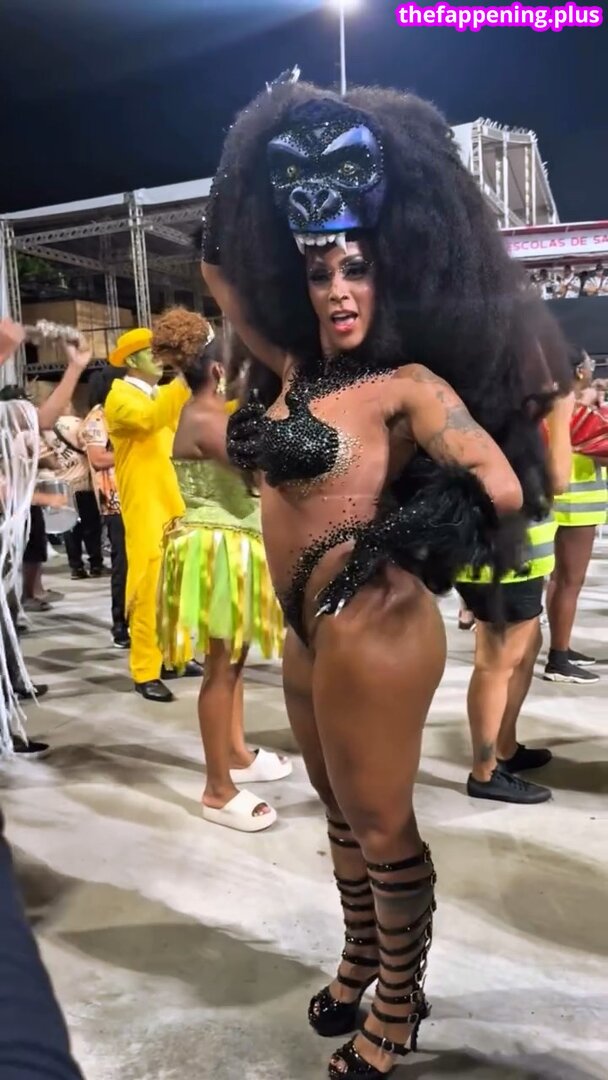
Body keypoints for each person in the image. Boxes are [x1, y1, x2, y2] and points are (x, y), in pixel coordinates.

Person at [202, 79, 568, 1078]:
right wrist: (254, 151)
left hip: (377, 621)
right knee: (335, 810)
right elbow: (218, 270)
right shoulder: (291, 369)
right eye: (319, 271)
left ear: (390, 271)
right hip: (304, 627)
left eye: (356, 268)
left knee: (379, 820)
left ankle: (399, 998)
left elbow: (498, 483)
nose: (338, 289)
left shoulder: (408, 386)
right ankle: (361, 956)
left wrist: (398, 536)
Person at [154, 308, 287, 831]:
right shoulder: (209, 420)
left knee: (232, 662)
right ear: (215, 371)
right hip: (217, 552)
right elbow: (261, 473)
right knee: (221, 670)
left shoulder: (208, 411)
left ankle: (235, 754)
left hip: (229, 545)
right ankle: (217, 788)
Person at [455, 384, 574, 803]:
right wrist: (562, 412)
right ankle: (485, 771)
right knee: (497, 662)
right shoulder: (503, 410)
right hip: (504, 555)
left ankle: (504, 749)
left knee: (523, 650)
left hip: (507, 551)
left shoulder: (477, 399)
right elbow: (559, 480)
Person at [104, 328, 202, 702]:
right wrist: (184, 378)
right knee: (149, 588)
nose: (160, 358)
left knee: (177, 584)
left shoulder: (160, 395)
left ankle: (176, 657)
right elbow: (149, 419)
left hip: (173, 500)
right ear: (132, 360)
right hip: (145, 504)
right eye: (153, 351)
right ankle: (145, 670)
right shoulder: (120, 398)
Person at [545, 347, 607, 683]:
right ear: (580, 372)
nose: (593, 368)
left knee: (559, 580)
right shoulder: (575, 408)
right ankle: (559, 658)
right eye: (590, 364)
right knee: (570, 582)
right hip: (577, 503)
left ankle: (562, 647)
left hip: (559, 501)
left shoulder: (547, 402)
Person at [80, 368, 129, 648]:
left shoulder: (116, 414)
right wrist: (134, 451)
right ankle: (120, 625)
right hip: (115, 502)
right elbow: (98, 459)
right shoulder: (97, 418)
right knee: (123, 565)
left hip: (134, 496)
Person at [42, 414, 104, 581]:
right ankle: (96, 565)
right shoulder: (75, 423)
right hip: (82, 483)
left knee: (69, 528)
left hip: (62, 485)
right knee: (91, 527)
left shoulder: (44, 429)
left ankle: (76, 567)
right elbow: (89, 448)